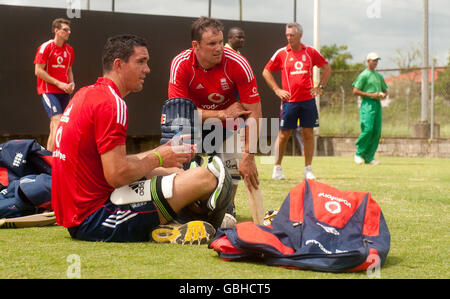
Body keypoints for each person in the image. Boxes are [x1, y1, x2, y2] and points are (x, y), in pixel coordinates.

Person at [51, 34, 232, 243]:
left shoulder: (85, 93)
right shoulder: (112, 103)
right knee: (205, 177)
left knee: (172, 171)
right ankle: (185, 217)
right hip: (98, 218)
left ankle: (182, 216)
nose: (147, 69)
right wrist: (157, 157)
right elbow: (117, 175)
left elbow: (108, 164)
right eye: (141, 62)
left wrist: (163, 156)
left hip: (78, 213)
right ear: (119, 65)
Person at [168, 17, 262, 223]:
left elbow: (254, 111)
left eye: (220, 41)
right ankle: (183, 207)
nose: (219, 48)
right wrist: (220, 113)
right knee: (178, 156)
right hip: (191, 124)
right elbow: (179, 113)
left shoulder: (238, 63)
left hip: (228, 126)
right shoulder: (181, 64)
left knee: (235, 158)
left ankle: (228, 206)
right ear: (196, 46)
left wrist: (249, 155)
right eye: (212, 44)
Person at [262, 22, 330, 180]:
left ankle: (308, 169)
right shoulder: (281, 53)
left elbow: (326, 67)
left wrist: (320, 87)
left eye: (292, 35)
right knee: (284, 134)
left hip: (308, 101)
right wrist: (277, 90)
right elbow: (266, 71)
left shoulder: (310, 52)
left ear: (300, 35)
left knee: (308, 133)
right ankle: (277, 168)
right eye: (287, 35)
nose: (289, 38)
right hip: (289, 102)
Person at [34, 18, 75, 152]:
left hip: (64, 92)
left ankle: (49, 158)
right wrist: (59, 83)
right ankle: (55, 158)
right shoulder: (46, 47)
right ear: (56, 31)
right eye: (65, 29)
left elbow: (69, 70)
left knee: (57, 125)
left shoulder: (69, 50)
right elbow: (38, 71)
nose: (69, 32)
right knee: (57, 121)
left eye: (69, 29)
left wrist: (71, 83)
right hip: (49, 91)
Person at [352, 52, 388, 165]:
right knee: (367, 129)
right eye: (373, 60)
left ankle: (369, 157)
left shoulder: (379, 76)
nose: (376, 62)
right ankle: (359, 153)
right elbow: (355, 91)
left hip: (377, 105)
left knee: (376, 131)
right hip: (367, 104)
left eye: (377, 60)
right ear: (368, 61)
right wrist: (372, 95)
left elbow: (385, 89)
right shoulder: (364, 75)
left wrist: (383, 94)